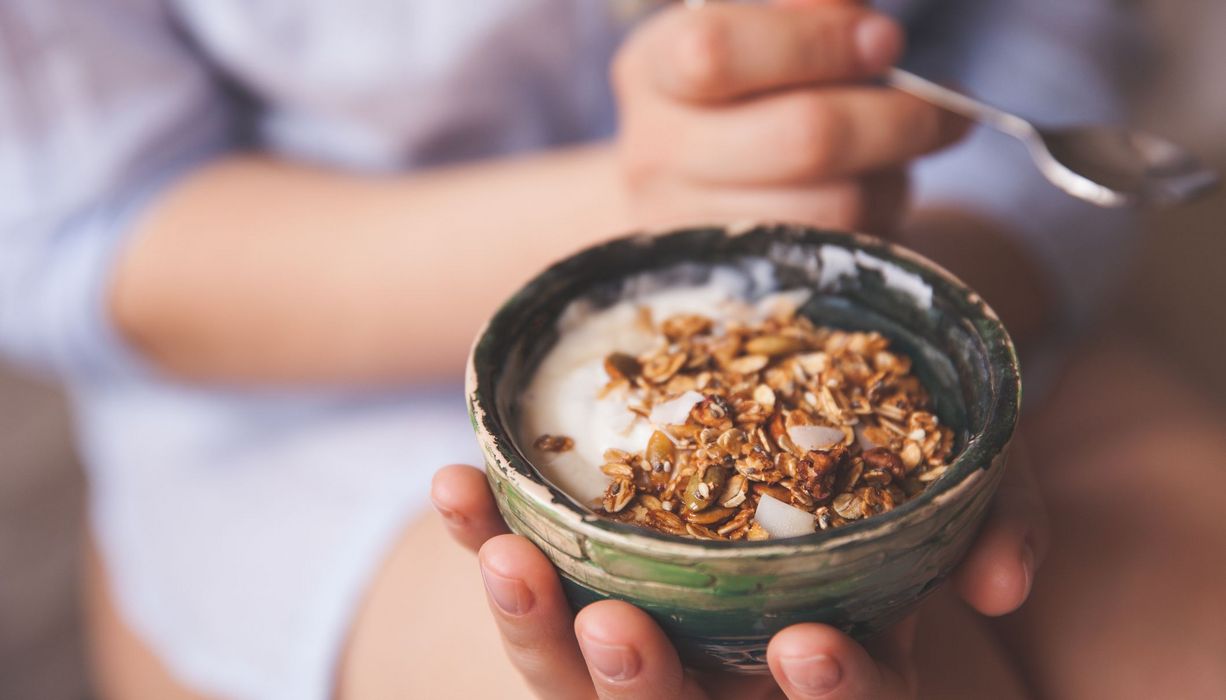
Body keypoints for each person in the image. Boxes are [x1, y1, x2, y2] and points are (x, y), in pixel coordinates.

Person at [5, 0, 1223, 698]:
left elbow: (1052, 33)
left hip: (926, 238)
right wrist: (632, 197)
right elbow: (89, 227)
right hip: (310, 370)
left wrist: (927, 301)